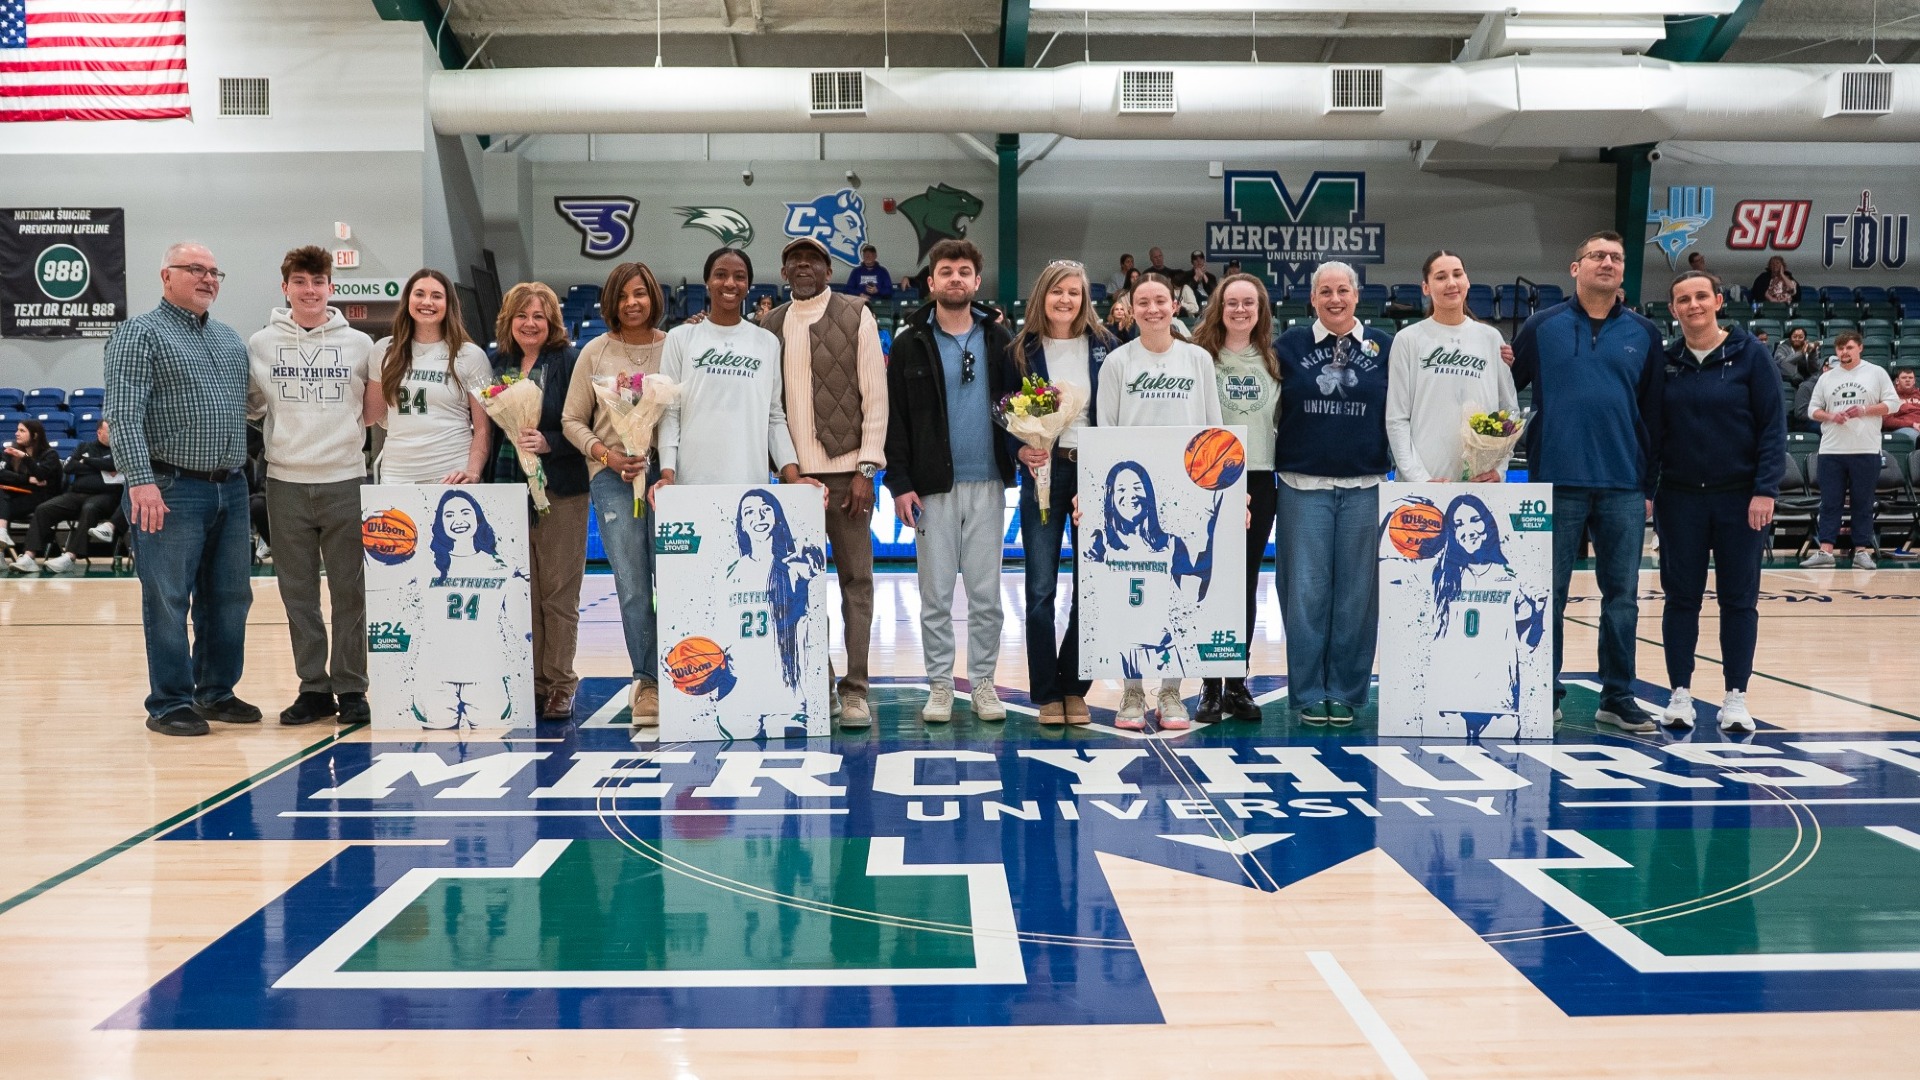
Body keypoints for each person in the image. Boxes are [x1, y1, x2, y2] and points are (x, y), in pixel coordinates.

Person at [1511, 230, 1665, 733]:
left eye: (1616, 258)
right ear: (1574, 268)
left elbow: (1653, 414)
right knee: (1546, 593)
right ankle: (1542, 691)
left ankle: (1617, 696)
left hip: (1622, 483)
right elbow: (1504, 389)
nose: (1607, 263)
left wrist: (1648, 484)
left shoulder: (1644, 333)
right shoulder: (1541, 326)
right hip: (1555, 481)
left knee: (1621, 596)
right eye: (1596, 255)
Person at [104, 242, 259, 737]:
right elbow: (123, 415)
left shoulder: (231, 341)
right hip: (168, 487)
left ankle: (216, 691)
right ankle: (170, 701)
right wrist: (140, 482)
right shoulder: (138, 334)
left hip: (231, 489)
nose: (208, 278)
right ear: (166, 275)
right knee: (169, 598)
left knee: (230, 596)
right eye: (196, 269)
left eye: (215, 271)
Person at [883, 238, 1018, 725]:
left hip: (988, 484)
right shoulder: (908, 343)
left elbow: (1019, 407)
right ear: (932, 282)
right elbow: (894, 419)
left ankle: (982, 682)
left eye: (964, 271)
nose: (956, 278)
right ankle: (940, 685)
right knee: (935, 595)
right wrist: (898, 482)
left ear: (977, 282)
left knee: (986, 596)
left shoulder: (1001, 341)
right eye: (946, 271)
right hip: (931, 489)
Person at [1647, 270, 1785, 736]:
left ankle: (1735, 698)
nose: (1693, 305)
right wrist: (1649, 490)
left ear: (1718, 301)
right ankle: (1680, 695)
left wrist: (1765, 489)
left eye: (1701, 296)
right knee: (1680, 599)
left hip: (1739, 500)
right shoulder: (1666, 362)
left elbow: (1772, 428)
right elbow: (1652, 434)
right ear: (1673, 310)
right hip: (1680, 499)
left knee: (1739, 601)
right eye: (1683, 299)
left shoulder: (1751, 356)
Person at [246, 245, 377, 726]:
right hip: (285, 482)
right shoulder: (260, 344)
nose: (309, 290)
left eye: (318, 282)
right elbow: (254, 406)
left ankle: (351, 687)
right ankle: (314, 688)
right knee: (297, 594)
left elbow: (373, 410)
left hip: (345, 478)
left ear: (331, 288)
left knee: (351, 593)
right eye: (300, 282)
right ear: (286, 288)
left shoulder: (360, 345)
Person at [762, 236, 888, 729]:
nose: (803, 266)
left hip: (846, 476)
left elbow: (875, 397)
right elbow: (769, 410)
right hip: (794, 482)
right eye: (794, 259)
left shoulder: (857, 313)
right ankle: (820, 678)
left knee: (856, 584)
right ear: (785, 269)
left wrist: (865, 469)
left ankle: (855, 689)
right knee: (800, 587)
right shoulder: (768, 326)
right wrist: (783, 470)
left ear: (829, 269)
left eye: (812, 259)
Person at [1095, 272, 1225, 729]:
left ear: (1175, 306)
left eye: (1160, 301)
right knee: (1134, 594)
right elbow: (1104, 434)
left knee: (1179, 596)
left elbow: (1215, 429)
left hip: (1187, 493)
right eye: (1143, 302)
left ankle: (1172, 691)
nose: (1152, 309)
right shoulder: (1116, 363)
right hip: (1134, 497)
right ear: (1130, 309)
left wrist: (1225, 495)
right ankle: (1131, 692)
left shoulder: (1197, 360)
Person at [1273, 261, 1394, 726]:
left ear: (1357, 296)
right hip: (1304, 488)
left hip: (1366, 488)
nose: (1335, 299)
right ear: (1313, 297)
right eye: (1325, 291)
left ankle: (1345, 691)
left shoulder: (1384, 347)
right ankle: (1306, 693)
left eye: (1343, 290)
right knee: (1303, 595)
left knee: (1357, 598)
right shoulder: (1288, 345)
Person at [1008, 258, 1116, 726]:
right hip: (1044, 475)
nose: (1066, 300)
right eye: (1057, 291)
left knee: (1092, 586)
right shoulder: (1021, 350)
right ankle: (1047, 691)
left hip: (1094, 473)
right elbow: (1006, 414)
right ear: (1042, 297)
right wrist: (1020, 452)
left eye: (1074, 292)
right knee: (1040, 588)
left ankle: (1075, 686)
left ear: (1084, 299)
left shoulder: (1108, 346)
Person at [563, 261, 669, 727]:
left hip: (666, 479)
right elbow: (571, 420)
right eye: (623, 294)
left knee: (673, 581)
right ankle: (647, 681)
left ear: (653, 297)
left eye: (640, 293)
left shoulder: (675, 347)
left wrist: (663, 464)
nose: (632, 302)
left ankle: (684, 668)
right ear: (611, 301)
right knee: (631, 585)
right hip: (611, 479)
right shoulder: (595, 352)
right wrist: (607, 456)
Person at [488, 281, 589, 721]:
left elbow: (588, 424)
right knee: (524, 594)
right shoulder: (497, 364)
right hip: (508, 491)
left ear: (553, 323)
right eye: (522, 316)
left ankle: (561, 683)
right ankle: (532, 681)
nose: (530, 324)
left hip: (561, 488)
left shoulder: (569, 361)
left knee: (558, 595)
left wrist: (549, 442)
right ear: (509, 321)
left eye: (539, 317)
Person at [1190, 272, 1279, 725]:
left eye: (1250, 303)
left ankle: (1237, 683)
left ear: (1261, 310)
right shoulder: (1199, 357)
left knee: (1244, 584)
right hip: (1209, 481)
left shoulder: (1273, 360)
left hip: (1260, 481)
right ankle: (1208, 684)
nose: (1241, 310)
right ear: (1219, 308)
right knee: (1210, 584)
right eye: (1232, 303)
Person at [655, 248, 805, 492]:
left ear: (748, 286)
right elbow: (670, 413)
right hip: (691, 482)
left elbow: (774, 417)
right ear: (707, 282)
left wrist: (794, 476)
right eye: (720, 274)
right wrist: (668, 475)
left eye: (740, 277)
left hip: (751, 484)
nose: (730, 283)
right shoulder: (680, 337)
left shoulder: (767, 342)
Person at [1385, 250, 1519, 484]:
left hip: (1481, 481)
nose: (1451, 283)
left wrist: (1500, 469)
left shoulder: (1491, 337)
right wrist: (1418, 478)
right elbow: (1396, 418)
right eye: (1440, 277)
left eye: (1458, 274)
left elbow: (1509, 411)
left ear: (1467, 281)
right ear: (1426, 287)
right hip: (1423, 481)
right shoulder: (1408, 339)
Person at [1427, 493, 1546, 739]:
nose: (1468, 530)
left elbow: (1528, 644)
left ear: (1488, 524)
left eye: (1474, 520)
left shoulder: (1512, 576)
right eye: (1458, 524)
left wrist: (1539, 612)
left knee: (1504, 772)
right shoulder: (1442, 575)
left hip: (1499, 699)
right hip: (1451, 700)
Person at [716, 488, 827, 738]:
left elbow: (808, 609)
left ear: (777, 517)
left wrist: (810, 571)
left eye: (766, 509)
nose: (759, 517)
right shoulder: (730, 573)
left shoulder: (794, 567)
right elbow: (721, 635)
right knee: (737, 762)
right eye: (749, 512)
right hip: (740, 691)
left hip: (787, 692)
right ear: (742, 524)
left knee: (790, 758)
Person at [365, 269, 493, 484]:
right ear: (407, 300)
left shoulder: (470, 355)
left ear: (449, 304)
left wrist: (473, 471)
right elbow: (371, 415)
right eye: (419, 294)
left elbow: (482, 429)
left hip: (451, 472)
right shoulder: (384, 350)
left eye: (436, 296)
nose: (427, 302)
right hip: (397, 474)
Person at [412, 488, 522, 729]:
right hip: (435, 672)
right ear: (440, 522)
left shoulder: (502, 564)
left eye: (465, 512)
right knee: (436, 750)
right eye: (449, 515)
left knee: (492, 751)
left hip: (485, 672)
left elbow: (517, 621)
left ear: (477, 517)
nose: (458, 520)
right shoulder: (423, 562)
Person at [1801, 330, 1900, 570]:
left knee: (1863, 502)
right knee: (1830, 502)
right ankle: (1825, 551)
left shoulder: (1876, 373)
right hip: (1831, 450)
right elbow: (1812, 410)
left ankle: (1862, 551)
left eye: (1849, 348)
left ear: (1860, 348)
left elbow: (1893, 404)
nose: (1844, 352)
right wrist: (1831, 415)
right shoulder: (1826, 378)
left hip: (1865, 449)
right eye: (1840, 348)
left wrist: (1865, 410)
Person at [12, 418, 121, 573]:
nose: (115, 434)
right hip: (76, 494)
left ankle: (69, 556)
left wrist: (86, 461)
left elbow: (114, 466)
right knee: (44, 509)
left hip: (106, 496)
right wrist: (98, 466)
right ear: (99, 432)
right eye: (110, 431)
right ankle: (29, 556)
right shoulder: (84, 446)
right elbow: (69, 467)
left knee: (90, 508)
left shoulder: (120, 450)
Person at [0, 419, 60, 559]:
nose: (16, 434)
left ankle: (1, 553)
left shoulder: (50, 455)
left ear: (35, 435)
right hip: (17, 495)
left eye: (22, 431)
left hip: (41, 498)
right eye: (17, 430)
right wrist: (26, 479)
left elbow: (40, 476)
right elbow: (1, 474)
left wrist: (25, 458)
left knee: (2, 505)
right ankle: (2, 534)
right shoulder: (11, 453)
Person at [1884, 368, 1920, 434]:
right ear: (1897, 381)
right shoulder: (1890, 397)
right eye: (1904, 378)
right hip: (1906, 428)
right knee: (1913, 435)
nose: (1907, 380)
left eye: (1910, 378)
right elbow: (1887, 421)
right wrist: (1912, 424)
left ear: (1914, 381)